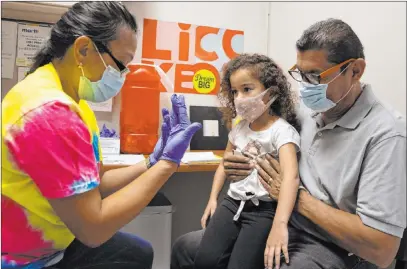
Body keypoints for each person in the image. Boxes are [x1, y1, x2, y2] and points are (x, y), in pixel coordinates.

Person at [171, 18, 406, 269]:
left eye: (315, 76)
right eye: (301, 74)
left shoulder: (387, 134)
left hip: (331, 244)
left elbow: (382, 250)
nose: (305, 86)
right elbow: (262, 140)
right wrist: (236, 165)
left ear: (356, 70)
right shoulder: (303, 109)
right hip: (272, 216)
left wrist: (295, 196)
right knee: (186, 248)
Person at [1, 2, 201, 269]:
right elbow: (93, 229)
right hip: (29, 258)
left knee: (137, 251)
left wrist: (151, 162)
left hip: (59, 239)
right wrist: (167, 165)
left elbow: (97, 180)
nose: (122, 76)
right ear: (83, 49)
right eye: (121, 64)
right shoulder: (50, 112)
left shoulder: (74, 100)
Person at [194, 54, 301, 269]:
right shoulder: (240, 128)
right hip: (232, 202)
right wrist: (213, 199)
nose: (239, 98)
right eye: (234, 91)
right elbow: (224, 165)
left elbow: (292, 177)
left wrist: (280, 225)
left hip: (264, 209)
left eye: (247, 89)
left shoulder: (282, 132)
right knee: (204, 260)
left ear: (270, 92)